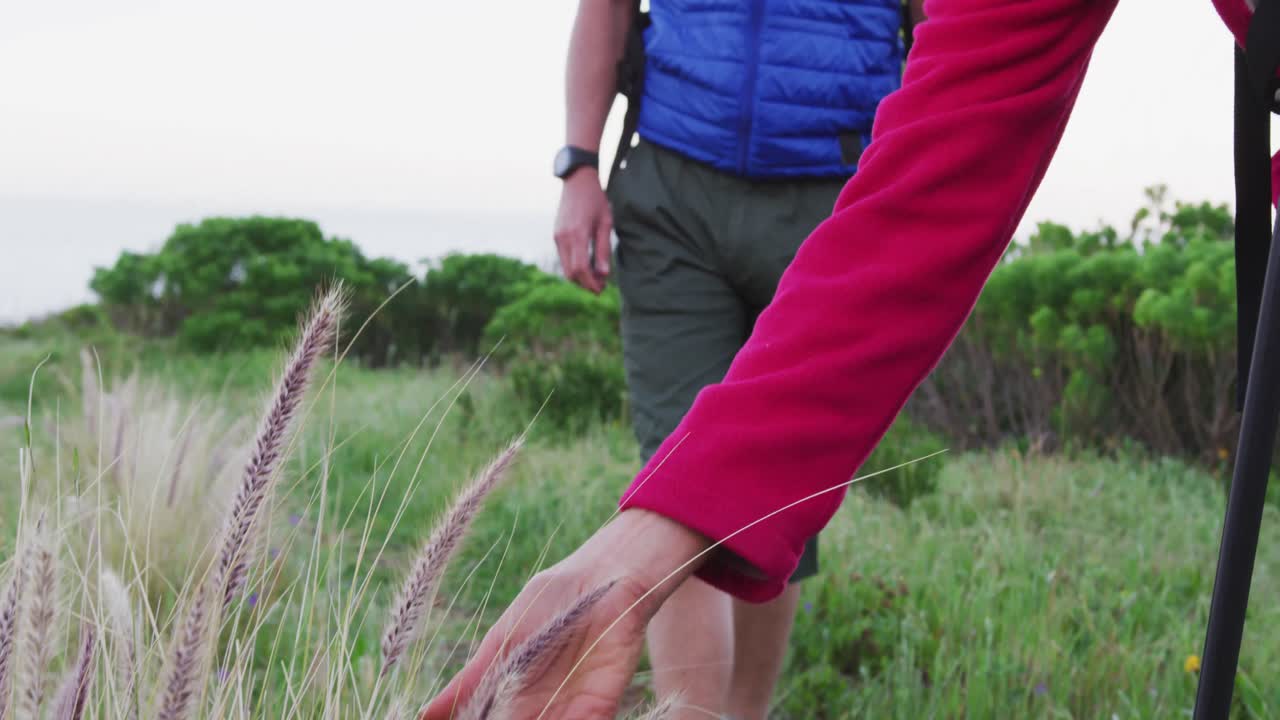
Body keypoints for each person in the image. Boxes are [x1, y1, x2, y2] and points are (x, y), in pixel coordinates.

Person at [423, 0, 1279, 718]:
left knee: (772, 508)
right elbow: (962, 118)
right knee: (686, 454)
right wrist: (636, 547)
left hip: (827, 169)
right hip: (684, 178)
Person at [545, 1, 921, 718]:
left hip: (833, 190)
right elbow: (607, 9)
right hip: (674, 191)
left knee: (782, 489)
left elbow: (945, 28)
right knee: (678, 473)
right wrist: (579, 167)